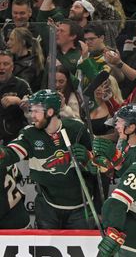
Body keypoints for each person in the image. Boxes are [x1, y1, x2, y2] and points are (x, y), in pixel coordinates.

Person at [0, 89, 92, 229]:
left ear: (50, 112)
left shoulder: (77, 129)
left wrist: (89, 157)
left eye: (36, 111)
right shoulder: (29, 133)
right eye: (31, 110)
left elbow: (99, 161)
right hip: (47, 207)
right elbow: (11, 153)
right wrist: (2, 153)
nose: (32, 115)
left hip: (80, 207)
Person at [0, 51, 32, 144]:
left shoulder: (22, 85)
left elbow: (33, 111)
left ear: (12, 67)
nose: (1, 67)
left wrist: (19, 101)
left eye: (5, 64)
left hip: (14, 140)